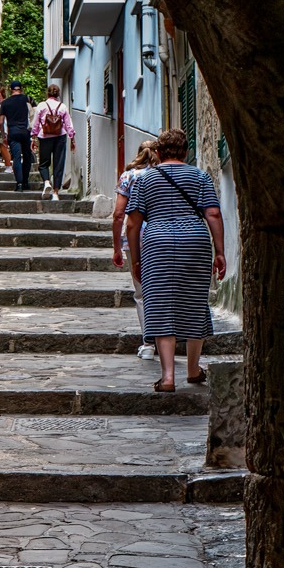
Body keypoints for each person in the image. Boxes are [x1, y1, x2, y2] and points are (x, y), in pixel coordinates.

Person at [125, 127, 226, 392]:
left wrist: (136, 259)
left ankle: (168, 376)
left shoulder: (144, 180)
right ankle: (193, 369)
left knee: (159, 304)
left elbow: (133, 224)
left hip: (157, 243)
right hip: (195, 241)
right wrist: (220, 251)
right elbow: (213, 214)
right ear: (185, 152)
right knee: (194, 301)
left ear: (157, 153)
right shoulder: (200, 176)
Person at [112, 137, 161, 360]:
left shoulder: (128, 176)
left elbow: (118, 214)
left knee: (142, 292)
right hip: (162, 235)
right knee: (162, 288)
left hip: (136, 237)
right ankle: (168, 337)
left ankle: (149, 343)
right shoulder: (164, 174)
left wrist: (116, 247)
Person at [31, 81, 73, 200]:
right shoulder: (63, 106)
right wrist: (72, 138)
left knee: (44, 163)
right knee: (58, 164)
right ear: (58, 94)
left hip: (44, 137)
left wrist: (33, 137)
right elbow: (69, 124)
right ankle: (55, 193)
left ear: (47, 94)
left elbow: (35, 123)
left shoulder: (41, 106)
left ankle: (47, 182)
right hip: (60, 137)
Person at [1, 81, 33, 187]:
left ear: (11, 90)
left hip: (13, 132)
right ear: (21, 89)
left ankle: (19, 183)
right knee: (27, 156)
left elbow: (0, 122)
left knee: (16, 157)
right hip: (25, 132)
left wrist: (3, 135)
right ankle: (25, 181)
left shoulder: (5, 102)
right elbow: (34, 113)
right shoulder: (27, 99)